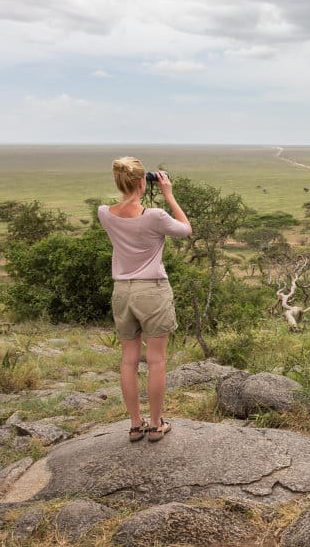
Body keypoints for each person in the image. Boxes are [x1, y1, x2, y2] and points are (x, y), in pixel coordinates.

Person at [98, 157, 192, 442]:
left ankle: (135, 424)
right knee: (156, 360)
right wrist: (168, 194)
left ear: (118, 182)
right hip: (152, 289)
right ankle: (155, 424)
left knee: (128, 360)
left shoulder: (104, 212)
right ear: (143, 182)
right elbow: (186, 229)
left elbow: (123, 209)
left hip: (122, 291)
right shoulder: (155, 216)